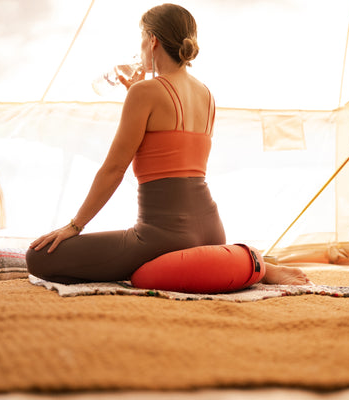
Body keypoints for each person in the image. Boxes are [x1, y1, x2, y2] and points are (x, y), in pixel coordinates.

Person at [26, 3, 309, 287]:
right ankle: (250, 265)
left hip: (161, 237)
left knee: (39, 258)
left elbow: (113, 169)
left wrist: (74, 226)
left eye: (141, 39)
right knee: (127, 264)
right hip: (212, 229)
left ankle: (247, 265)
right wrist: (136, 93)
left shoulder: (144, 92)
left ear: (152, 40)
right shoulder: (205, 94)